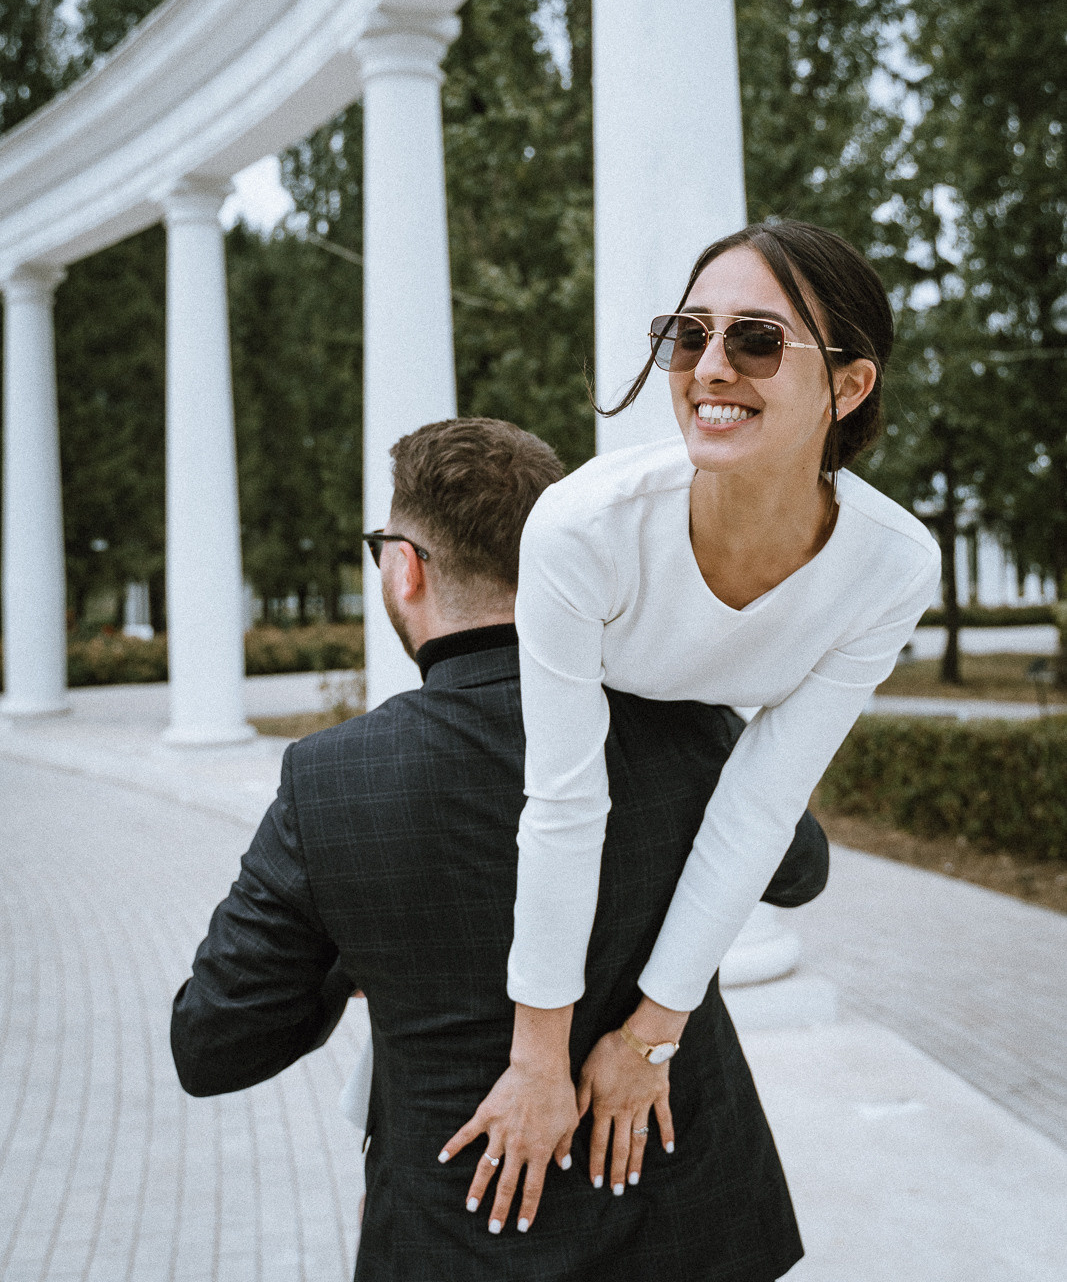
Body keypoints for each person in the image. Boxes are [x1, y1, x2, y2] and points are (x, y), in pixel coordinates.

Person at [172, 416, 830, 1281]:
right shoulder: (672, 712)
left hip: (461, 1242)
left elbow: (214, 1042)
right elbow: (797, 871)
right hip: (696, 1229)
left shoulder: (330, 780)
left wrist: (354, 935)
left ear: (405, 565)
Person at [445, 221, 942, 1235]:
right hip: (543, 739)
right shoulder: (583, 526)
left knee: (786, 864)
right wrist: (538, 1060)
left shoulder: (892, 565)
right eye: (686, 335)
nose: (708, 368)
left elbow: (761, 798)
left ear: (847, 386)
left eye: (755, 340)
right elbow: (563, 799)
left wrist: (649, 1037)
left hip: (694, 763)